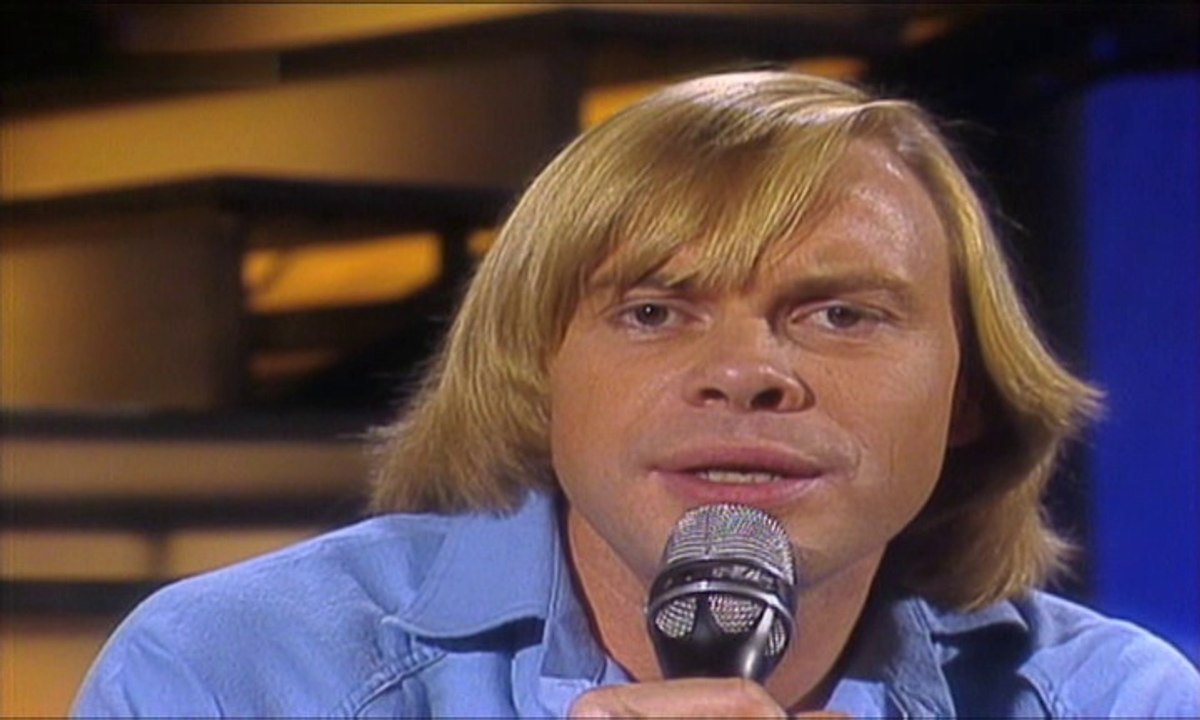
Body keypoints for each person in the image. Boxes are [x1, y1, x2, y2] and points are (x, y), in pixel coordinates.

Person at [73, 70, 1199, 718]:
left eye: (841, 315)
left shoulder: (1113, 700)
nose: (746, 373)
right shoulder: (236, 674)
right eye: (655, 312)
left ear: (969, 396)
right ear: (535, 374)